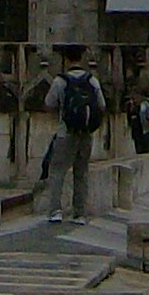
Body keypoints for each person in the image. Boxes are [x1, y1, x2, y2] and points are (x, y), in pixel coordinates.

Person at [42, 47, 105, 222]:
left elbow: (48, 104)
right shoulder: (92, 80)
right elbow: (102, 105)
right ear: (82, 58)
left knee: (57, 172)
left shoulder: (60, 81)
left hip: (65, 133)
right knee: (81, 172)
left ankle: (56, 211)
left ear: (65, 60)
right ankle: (80, 213)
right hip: (85, 133)